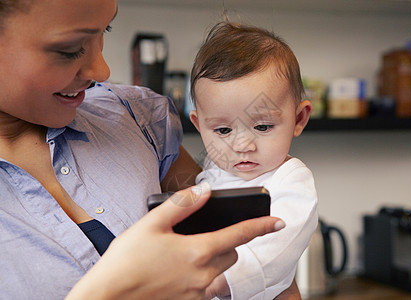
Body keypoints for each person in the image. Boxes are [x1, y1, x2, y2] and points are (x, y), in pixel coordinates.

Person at [0, 1, 287, 299]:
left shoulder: (137, 118)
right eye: (69, 49)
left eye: (104, 30)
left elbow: (255, 256)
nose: (102, 70)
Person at [189, 22, 319, 299]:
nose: (242, 146)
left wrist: (215, 284)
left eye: (262, 127)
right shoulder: (211, 173)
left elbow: (279, 247)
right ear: (199, 126)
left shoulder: (291, 179)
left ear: (299, 119)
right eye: (223, 130)